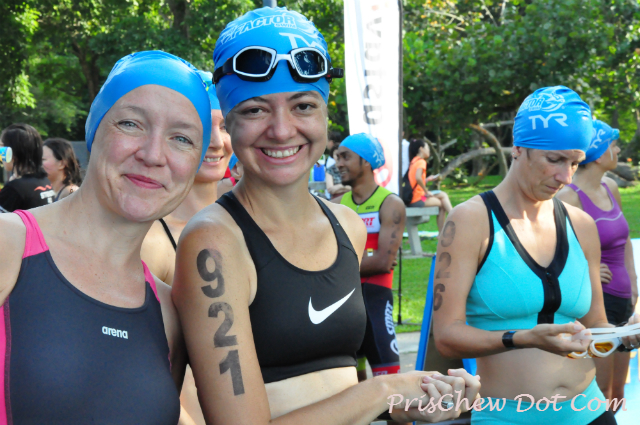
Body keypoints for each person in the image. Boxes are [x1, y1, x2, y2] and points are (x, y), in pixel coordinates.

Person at [172, 7, 480, 425]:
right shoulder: (214, 243)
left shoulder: (347, 227)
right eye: (255, 110)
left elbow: (338, 389)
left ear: (324, 114)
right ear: (228, 124)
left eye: (302, 106)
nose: (282, 130)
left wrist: (404, 404)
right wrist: (383, 390)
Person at [0, 50, 212, 423]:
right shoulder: (9, 246)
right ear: (94, 129)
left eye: (181, 138)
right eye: (131, 124)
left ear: (196, 162)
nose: (153, 154)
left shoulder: (169, 312)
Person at [432, 86, 640, 425]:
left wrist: (624, 336)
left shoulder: (581, 225)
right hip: (507, 417)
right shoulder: (471, 221)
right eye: (554, 160)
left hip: (589, 412)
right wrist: (521, 338)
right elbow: (446, 337)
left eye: (575, 162)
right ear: (518, 148)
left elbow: (595, 327)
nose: (565, 177)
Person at [141, 72, 232, 425]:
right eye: (203, 128)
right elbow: (135, 362)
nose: (217, 142)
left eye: (225, 127)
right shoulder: (151, 241)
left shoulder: (247, 229)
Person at [557, 119, 637, 410]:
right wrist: (584, 270)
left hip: (623, 299)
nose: (618, 150)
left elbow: (624, 239)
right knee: (601, 391)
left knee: (618, 392)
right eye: (613, 145)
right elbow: (553, 252)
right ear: (599, 153)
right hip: (598, 303)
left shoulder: (610, 187)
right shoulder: (569, 197)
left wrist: (633, 281)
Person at [333, 133, 406, 384]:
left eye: (345, 157)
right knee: (352, 388)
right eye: (337, 157)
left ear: (366, 161)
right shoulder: (336, 205)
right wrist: (369, 259)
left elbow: (383, 262)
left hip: (375, 300)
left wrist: (340, 265)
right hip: (343, 304)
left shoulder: (390, 203)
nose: (338, 163)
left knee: (393, 390)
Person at [0, 123, 55, 211]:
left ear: (13, 152)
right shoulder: (44, 181)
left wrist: (11, 186)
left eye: (1, 147)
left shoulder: (15, 188)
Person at [407, 139, 451, 231]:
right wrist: (427, 192)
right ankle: (454, 217)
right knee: (443, 204)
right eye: (427, 148)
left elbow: (415, 180)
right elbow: (418, 178)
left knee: (443, 195)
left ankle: (452, 216)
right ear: (421, 149)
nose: (429, 151)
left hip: (415, 198)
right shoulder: (421, 162)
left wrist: (427, 180)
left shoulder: (413, 161)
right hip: (419, 199)